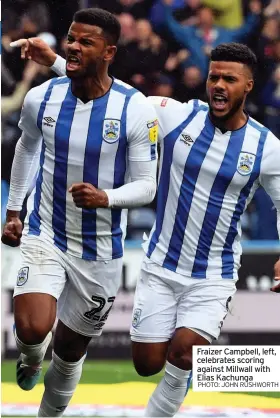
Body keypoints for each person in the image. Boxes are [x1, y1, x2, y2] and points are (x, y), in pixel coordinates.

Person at [10, 39, 280, 416]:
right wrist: (55, 62)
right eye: (214, 76)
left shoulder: (267, 148)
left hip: (213, 275)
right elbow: (111, 93)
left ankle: (182, 374)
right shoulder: (175, 115)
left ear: (248, 86)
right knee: (146, 363)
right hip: (159, 266)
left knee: (183, 352)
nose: (219, 85)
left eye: (230, 79)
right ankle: (178, 373)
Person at [1, 8, 158, 417]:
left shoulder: (135, 109)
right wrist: (14, 210)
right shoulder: (42, 98)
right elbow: (25, 148)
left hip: (100, 251)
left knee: (70, 351)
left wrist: (106, 198)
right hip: (45, 232)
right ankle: (32, 356)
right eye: (71, 37)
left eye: (85, 42)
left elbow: (147, 185)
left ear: (109, 52)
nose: (72, 45)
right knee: (33, 328)